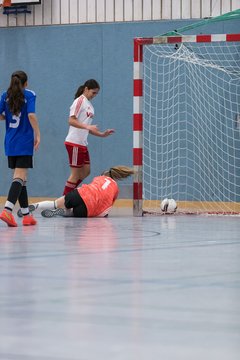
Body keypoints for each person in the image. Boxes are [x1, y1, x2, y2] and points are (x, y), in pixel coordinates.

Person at [0, 70, 40, 227]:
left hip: (10, 141)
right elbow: (31, 115)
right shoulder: (29, 94)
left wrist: (8, 116)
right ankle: (7, 211)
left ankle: (26, 215)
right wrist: (38, 134)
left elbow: (1, 115)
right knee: (20, 176)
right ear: (26, 83)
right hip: (23, 141)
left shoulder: (5, 95)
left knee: (21, 179)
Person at [63, 79, 115, 195]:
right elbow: (71, 120)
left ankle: (69, 194)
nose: (94, 95)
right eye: (93, 92)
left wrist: (102, 134)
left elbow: (87, 128)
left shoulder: (90, 106)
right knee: (75, 174)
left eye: (96, 93)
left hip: (82, 143)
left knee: (86, 171)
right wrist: (88, 126)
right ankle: (64, 200)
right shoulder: (79, 101)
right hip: (74, 142)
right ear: (86, 89)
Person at [29, 166, 134, 218]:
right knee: (72, 213)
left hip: (80, 194)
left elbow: (92, 189)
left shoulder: (99, 178)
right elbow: (106, 209)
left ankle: (35, 205)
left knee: (55, 203)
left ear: (104, 175)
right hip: (88, 209)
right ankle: (64, 212)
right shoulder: (115, 188)